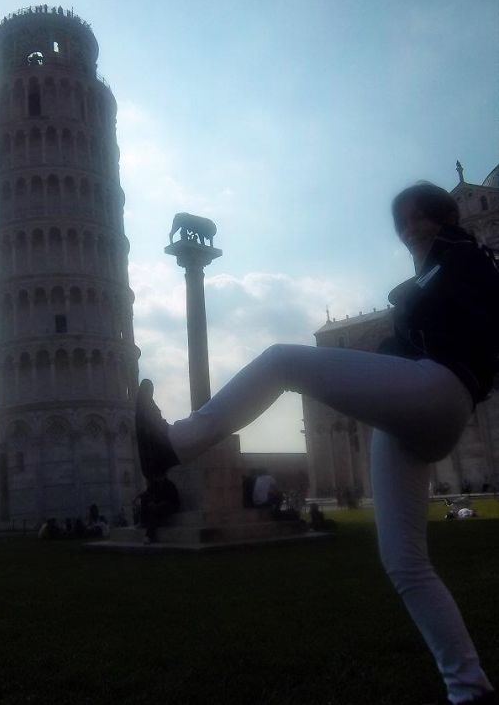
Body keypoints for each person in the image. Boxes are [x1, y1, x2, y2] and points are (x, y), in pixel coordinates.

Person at [136, 182, 499, 705]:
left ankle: (173, 444)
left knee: (282, 361)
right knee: (405, 563)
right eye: (399, 222)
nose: (404, 230)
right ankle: (469, 689)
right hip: (415, 410)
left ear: (441, 219)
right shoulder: (431, 273)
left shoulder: (466, 259)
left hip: (442, 388)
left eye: (412, 218)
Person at [136, 475, 180, 545]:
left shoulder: (169, 485)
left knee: (153, 512)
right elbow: (148, 492)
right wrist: (139, 496)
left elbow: (170, 500)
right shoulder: (155, 484)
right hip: (158, 505)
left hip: (169, 506)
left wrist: (157, 505)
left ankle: (149, 535)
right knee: (144, 499)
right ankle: (143, 521)